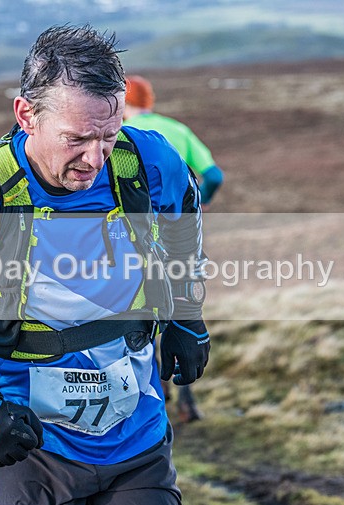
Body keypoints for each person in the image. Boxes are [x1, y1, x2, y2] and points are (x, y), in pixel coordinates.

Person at [0, 24, 210, 505]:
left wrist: (187, 317)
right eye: (76, 139)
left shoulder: (146, 159)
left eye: (109, 134)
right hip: (33, 449)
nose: (94, 157)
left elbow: (186, 212)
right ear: (26, 115)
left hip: (138, 435)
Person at [123, 74, 221, 423]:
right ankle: (187, 399)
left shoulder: (121, 137)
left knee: (143, 307)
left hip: (141, 240)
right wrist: (201, 203)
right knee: (182, 309)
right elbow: (214, 176)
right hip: (182, 233)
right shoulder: (176, 130)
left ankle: (155, 395)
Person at [123, 74, 224, 206]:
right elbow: (214, 177)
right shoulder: (178, 129)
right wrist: (198, 202)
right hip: (177, 219)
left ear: (124, 101)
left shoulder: (119, 134)